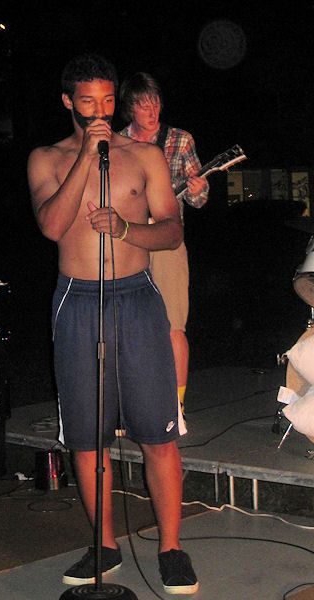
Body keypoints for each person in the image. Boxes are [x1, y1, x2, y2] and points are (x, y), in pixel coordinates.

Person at [27, 54, 198, 594]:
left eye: (107, 101)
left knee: (158, 434)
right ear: (68, 102)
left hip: (137, 297)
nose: (100, 111)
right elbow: (53, 225)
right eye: (88, 102)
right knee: (87, 436)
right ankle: (104, 545)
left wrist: (125, 229)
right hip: (77, 301)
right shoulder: (46, 158)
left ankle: (171, 548)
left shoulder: (144, 155)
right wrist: (85, 155)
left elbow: (171, 230)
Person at [119, 72, 209, 419]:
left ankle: (176, 406)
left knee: (173, 325)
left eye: (155, 103)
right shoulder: (117, 143)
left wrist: (199, 189)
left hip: (168, 243)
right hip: (128, 241)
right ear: (130, 108)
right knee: (128, 327)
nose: (152, 111)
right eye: (144, 105)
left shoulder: (180, 140)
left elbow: (199, 200)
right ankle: (130, 406)